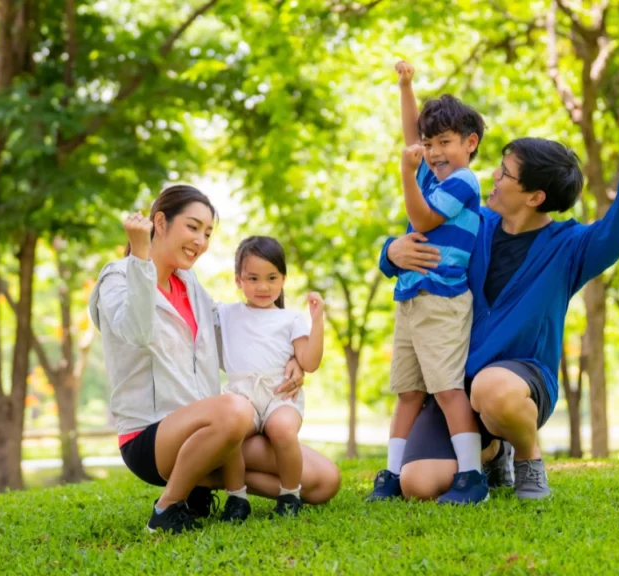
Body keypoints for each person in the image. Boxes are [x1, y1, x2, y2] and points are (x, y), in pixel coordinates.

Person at [379, 103, 619, 500]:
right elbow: (421, 231)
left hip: (518, 383)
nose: (494, 178)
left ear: (535, 196)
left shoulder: (569, 248)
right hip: (454, 387)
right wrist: (390, 254)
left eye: (505, 174)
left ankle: (527, 459)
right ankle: (493, 451)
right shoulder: (475, 225)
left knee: (492, 387)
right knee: (418, 484)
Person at [88, 184, 340, 534]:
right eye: (193, 227)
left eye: (207, 233)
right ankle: (166, 509)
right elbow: (137, 331)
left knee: (324, 480)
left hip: (213, 432)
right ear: (159, 222)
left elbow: (242, 336)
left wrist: (294, 357)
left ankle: (201, 483)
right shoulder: (118, 276)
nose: (201, 241)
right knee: (235, 408)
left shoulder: (189, 285)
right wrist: (140, 258)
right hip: (150, 435)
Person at [368, 60, 487, 505]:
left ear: (469, 144)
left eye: (445, 143)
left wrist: (405, 171)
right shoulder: (431, 174)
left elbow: (420, 217)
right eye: (430, 143)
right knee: (408, 392)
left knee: (446, 389)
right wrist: (406, 86)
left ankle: (472, 476)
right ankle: (392, 475)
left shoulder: (462, 181)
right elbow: (409, 138)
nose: (434, 152)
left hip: (443, 300)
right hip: (411, 298)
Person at [218, 236, 325, 518]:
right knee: (231, 433)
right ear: (238, 280)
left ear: (283, 279)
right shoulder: (226, 314)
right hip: (241, 394)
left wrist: (318, 321)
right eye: (252, 278)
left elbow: (310, 363)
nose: (263, 287)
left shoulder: (290, 319)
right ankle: (236, 497)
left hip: (280, 394)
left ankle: (290, 494)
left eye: (271, 277)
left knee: (283, 430)